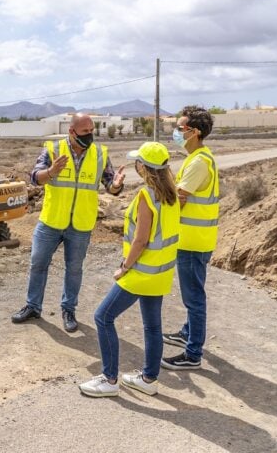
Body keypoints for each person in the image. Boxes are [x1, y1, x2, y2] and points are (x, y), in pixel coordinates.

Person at [79, 142, 180, 397]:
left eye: (138, 161)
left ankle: (110, 380)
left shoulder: (147, 196)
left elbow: (141, 239)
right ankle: (148, 379)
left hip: (141, 272)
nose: (136, 165)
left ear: (143, 167)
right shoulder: (171, 195)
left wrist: (124, 267)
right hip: (161, 273)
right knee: (152, 327)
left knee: (103, 317)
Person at [11, 114, 126, 332]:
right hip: (51, 220)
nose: (90, 136)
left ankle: (68, 309)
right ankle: (33, 306)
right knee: (38, 264)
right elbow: (35, 177)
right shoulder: (53, 149)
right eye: (85, 132)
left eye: (92, 131)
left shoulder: (100, 154)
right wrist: (51, 171)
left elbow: (110, 185)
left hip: (81, 224)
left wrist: (117, 186)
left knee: (74, 269)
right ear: (72, 132)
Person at [161, 106, 219, 371]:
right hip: (196, 238)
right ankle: (187, 332)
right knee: (194, 294)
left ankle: (193, 353)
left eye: (180, 128)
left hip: (193, 241)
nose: (176, 132)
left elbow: (178, 200)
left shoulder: (198, 162)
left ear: (194, 132)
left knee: (193, 298)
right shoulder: (199, 157)